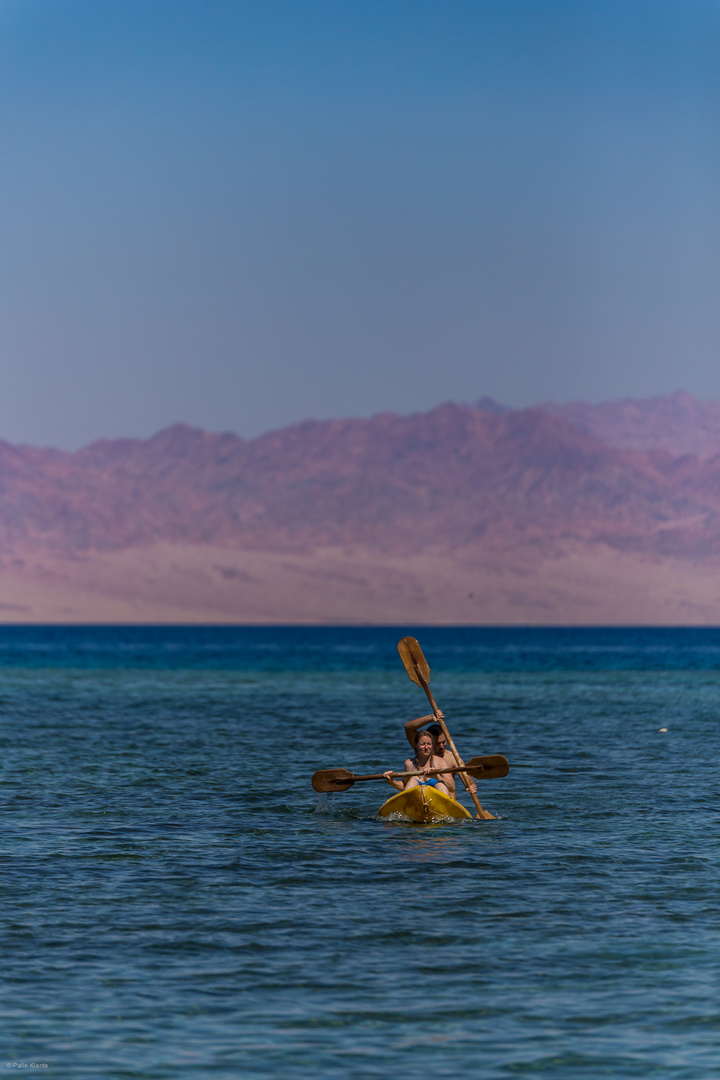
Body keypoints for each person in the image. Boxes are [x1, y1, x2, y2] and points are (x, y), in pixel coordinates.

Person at [403, 710, 478, 801]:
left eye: (444, 742)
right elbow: (408, 727)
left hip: (445, 803)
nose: (442, 746)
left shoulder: (452, 758)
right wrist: (431, 717)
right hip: (423, 801)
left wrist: (472, 785)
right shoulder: (423, 750)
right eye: (438, 744)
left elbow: (467, 779)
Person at [383, 730, 450, 794]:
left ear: (432, 745)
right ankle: (406, 803)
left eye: (429, 744)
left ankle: (446, 804)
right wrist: (391, 781)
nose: (426, 747)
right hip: (416, 800)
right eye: (423, 744)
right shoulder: (409, 763)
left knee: (440, 784)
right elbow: (405, 785)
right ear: (416, 745)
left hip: (438, 798)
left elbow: (451, 787)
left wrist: (437, 776)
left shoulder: (440, 761)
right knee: (412, 781)